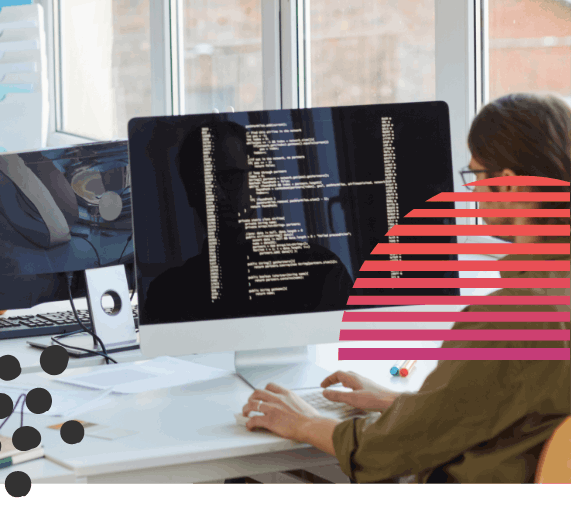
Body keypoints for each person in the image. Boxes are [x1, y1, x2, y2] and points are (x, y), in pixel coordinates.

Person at [239, 93, 570, 483]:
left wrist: (303, 422)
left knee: (246, 482)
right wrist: (399, 403)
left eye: (476, 175)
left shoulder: (509, 318)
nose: (471, 191)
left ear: (508, 187)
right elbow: (516, 418)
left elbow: (385, 453)